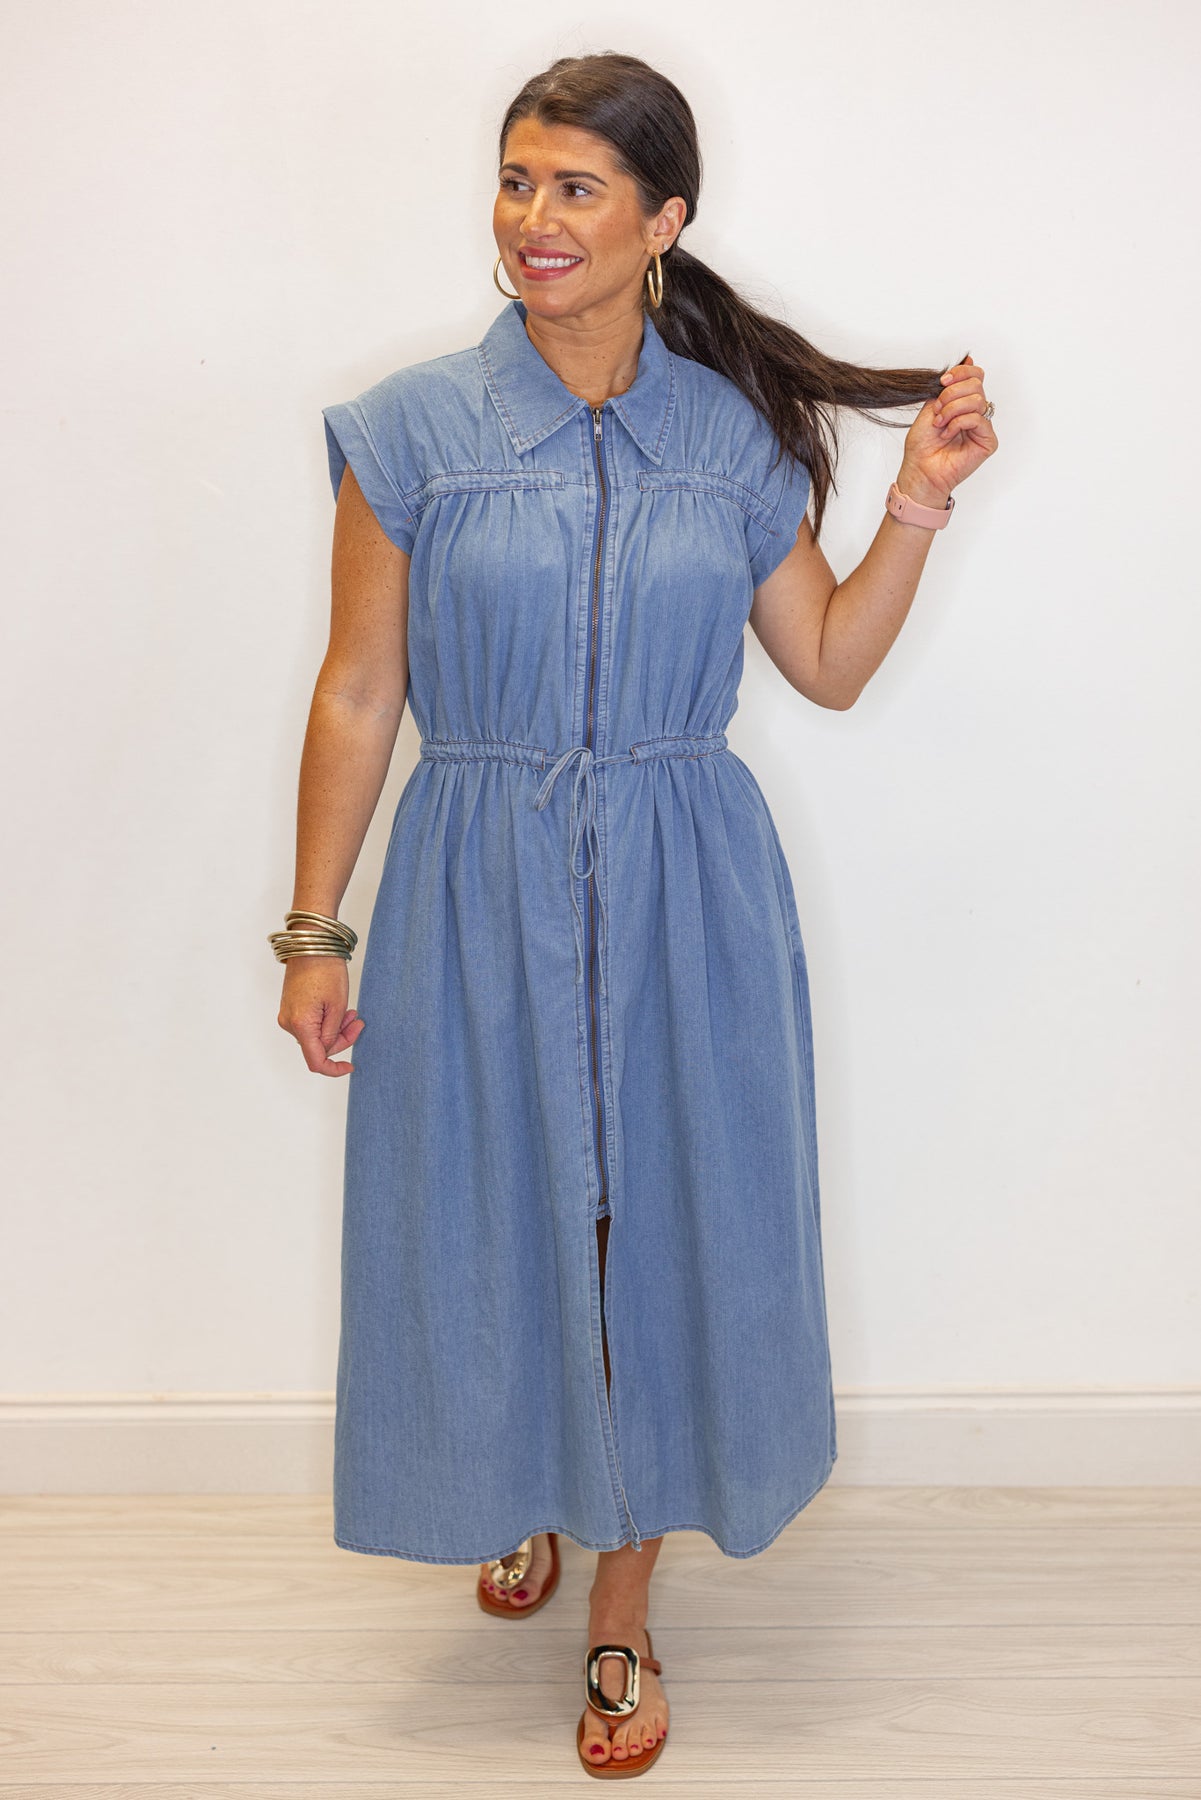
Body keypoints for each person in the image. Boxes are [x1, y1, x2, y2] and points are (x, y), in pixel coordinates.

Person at [273, 50, 997, 1780]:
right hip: (473, 881)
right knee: (490, 1209)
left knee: (656, 1228)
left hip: (687, 886)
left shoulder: (725, 436)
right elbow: (360, 691)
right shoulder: (412, 432)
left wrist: (916, 502)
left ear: (663, 220)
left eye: (577, 188)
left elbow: (825, 663)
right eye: (517, 179)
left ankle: (620, 1607)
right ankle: (522, 1474)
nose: (534, 218)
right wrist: (313, 933)